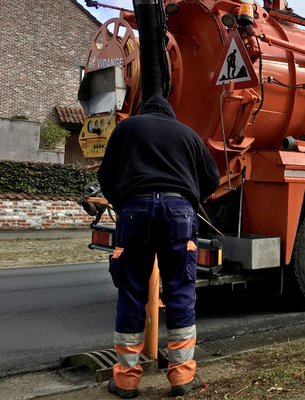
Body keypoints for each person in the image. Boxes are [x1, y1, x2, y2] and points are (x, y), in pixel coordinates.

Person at [98, 93, 220, 398]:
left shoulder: (127, 129)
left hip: (135, 211)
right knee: (180, 290)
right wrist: (190, 199)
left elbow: (106, 175)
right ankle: (181, 377)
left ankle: (126, 381)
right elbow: (212, 179)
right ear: (169, 115)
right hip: (179, 212)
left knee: (132, 291)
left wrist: (124, 202)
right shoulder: (188, 134)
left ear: (144, 112)